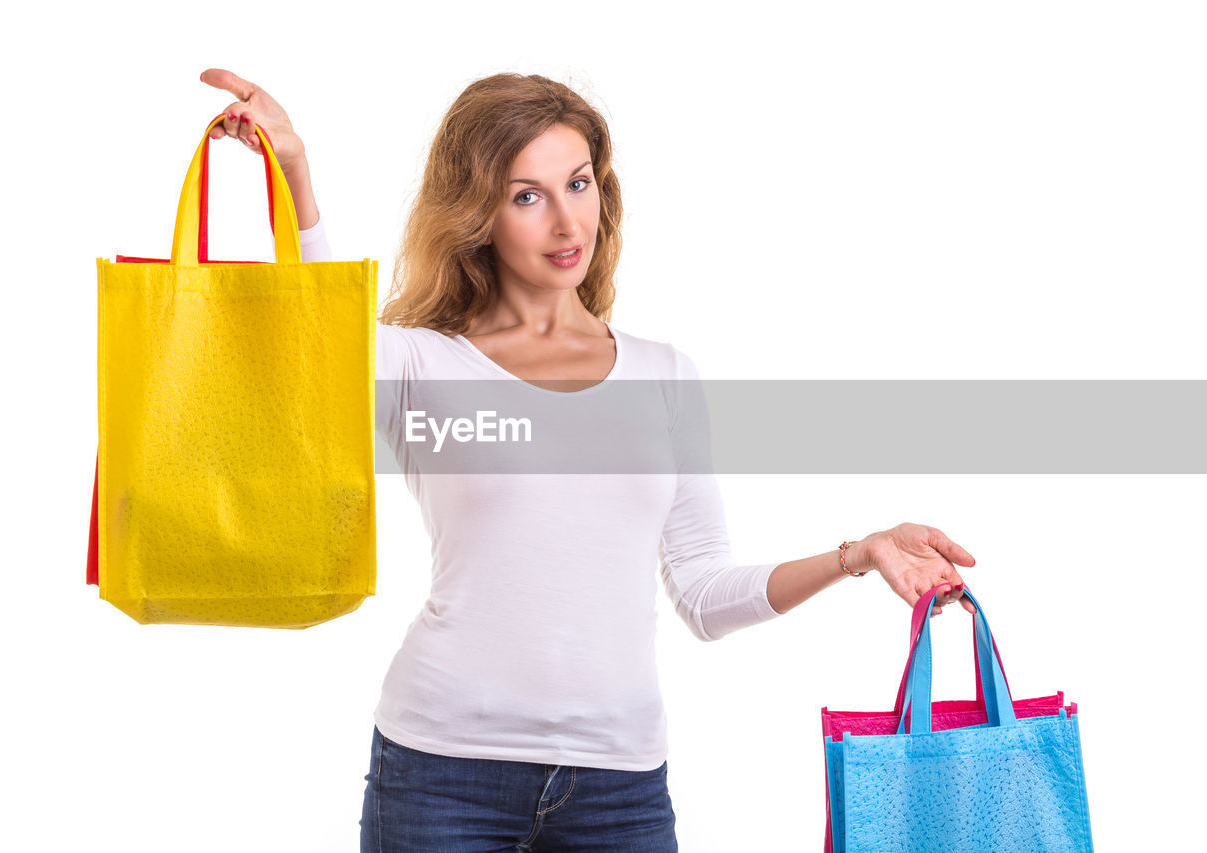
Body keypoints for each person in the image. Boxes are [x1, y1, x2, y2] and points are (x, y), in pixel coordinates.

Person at [199, 67, 978, 852]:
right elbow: (314, 334)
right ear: (481, 215)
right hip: (441, 774)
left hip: (621, 790)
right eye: (526, 195)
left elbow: (706, 595)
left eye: (578, 183)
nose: (567, 220)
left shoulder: (664, 375)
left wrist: (860, 552)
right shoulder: (422, 364)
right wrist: (293, 171)